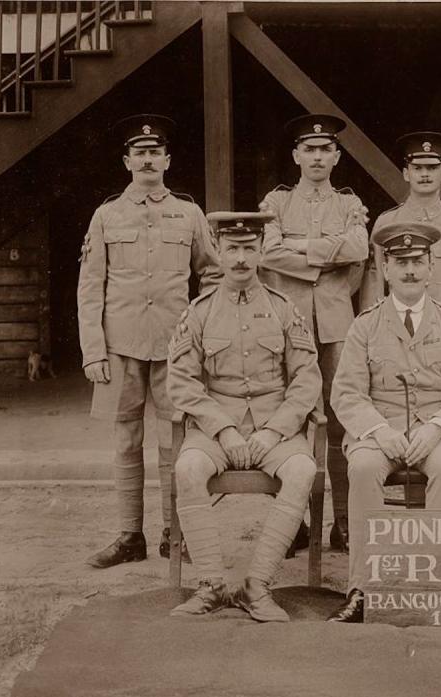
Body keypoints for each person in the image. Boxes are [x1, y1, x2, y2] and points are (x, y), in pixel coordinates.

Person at [77, 114, 220, 568]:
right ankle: (128, 536)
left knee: (174, 441)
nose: (147, 160)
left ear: (167, 160)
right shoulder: (106, 215)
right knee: (126, 439)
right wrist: (93, 351)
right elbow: (90, 286)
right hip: (120, 345)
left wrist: (202, 337)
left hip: (175, 348)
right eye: (139, 154)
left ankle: (173, 535)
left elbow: (212, 274)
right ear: (126, 162)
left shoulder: (189, 213)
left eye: (154, 152)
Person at [327, 222, 441, 623]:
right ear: (385, 266)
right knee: (361, 468)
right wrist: (380, 431)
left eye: (418, 261)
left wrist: (436, 429)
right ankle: (364, 587)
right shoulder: (365, 325)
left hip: (438, 431)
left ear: (431, 267)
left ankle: (440, 588)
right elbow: (346, 394)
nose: (410, 270)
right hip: (380, 432)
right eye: (401, 262)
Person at [167, 212, 322, 622]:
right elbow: (182, 383)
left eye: (249, 249)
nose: (240, 258)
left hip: (276, 428)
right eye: (232, 249)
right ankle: (212, 585)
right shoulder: (197, 313)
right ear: (218, 251)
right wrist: (225, 429)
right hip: (217, 430)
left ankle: (258, 586)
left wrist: (274, 431)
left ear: (260, 253)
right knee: (187, 468)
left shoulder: (284, 309)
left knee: (303, 471)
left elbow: (307, 380)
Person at [258, 114, 370, 553]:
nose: (318, 156)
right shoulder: (276, 202)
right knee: (286, 422)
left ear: (337, 157)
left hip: (337, 325)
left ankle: (343, 523)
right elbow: (267, 254)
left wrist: (299, 247)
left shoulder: (349, 204)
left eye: (326, 150)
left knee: (343, 421)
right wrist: (327, 258)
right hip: (288, 326)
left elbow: (359, 248)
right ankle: (294, 526)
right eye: (310, 149)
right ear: (296, 156)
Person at [360, 131, 441, 359]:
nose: (425, 174)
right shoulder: (387, 222)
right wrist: (371, 339)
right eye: (417, 168)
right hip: (395, 336)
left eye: (432, 168)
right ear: (406, 174)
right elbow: (374, 286)